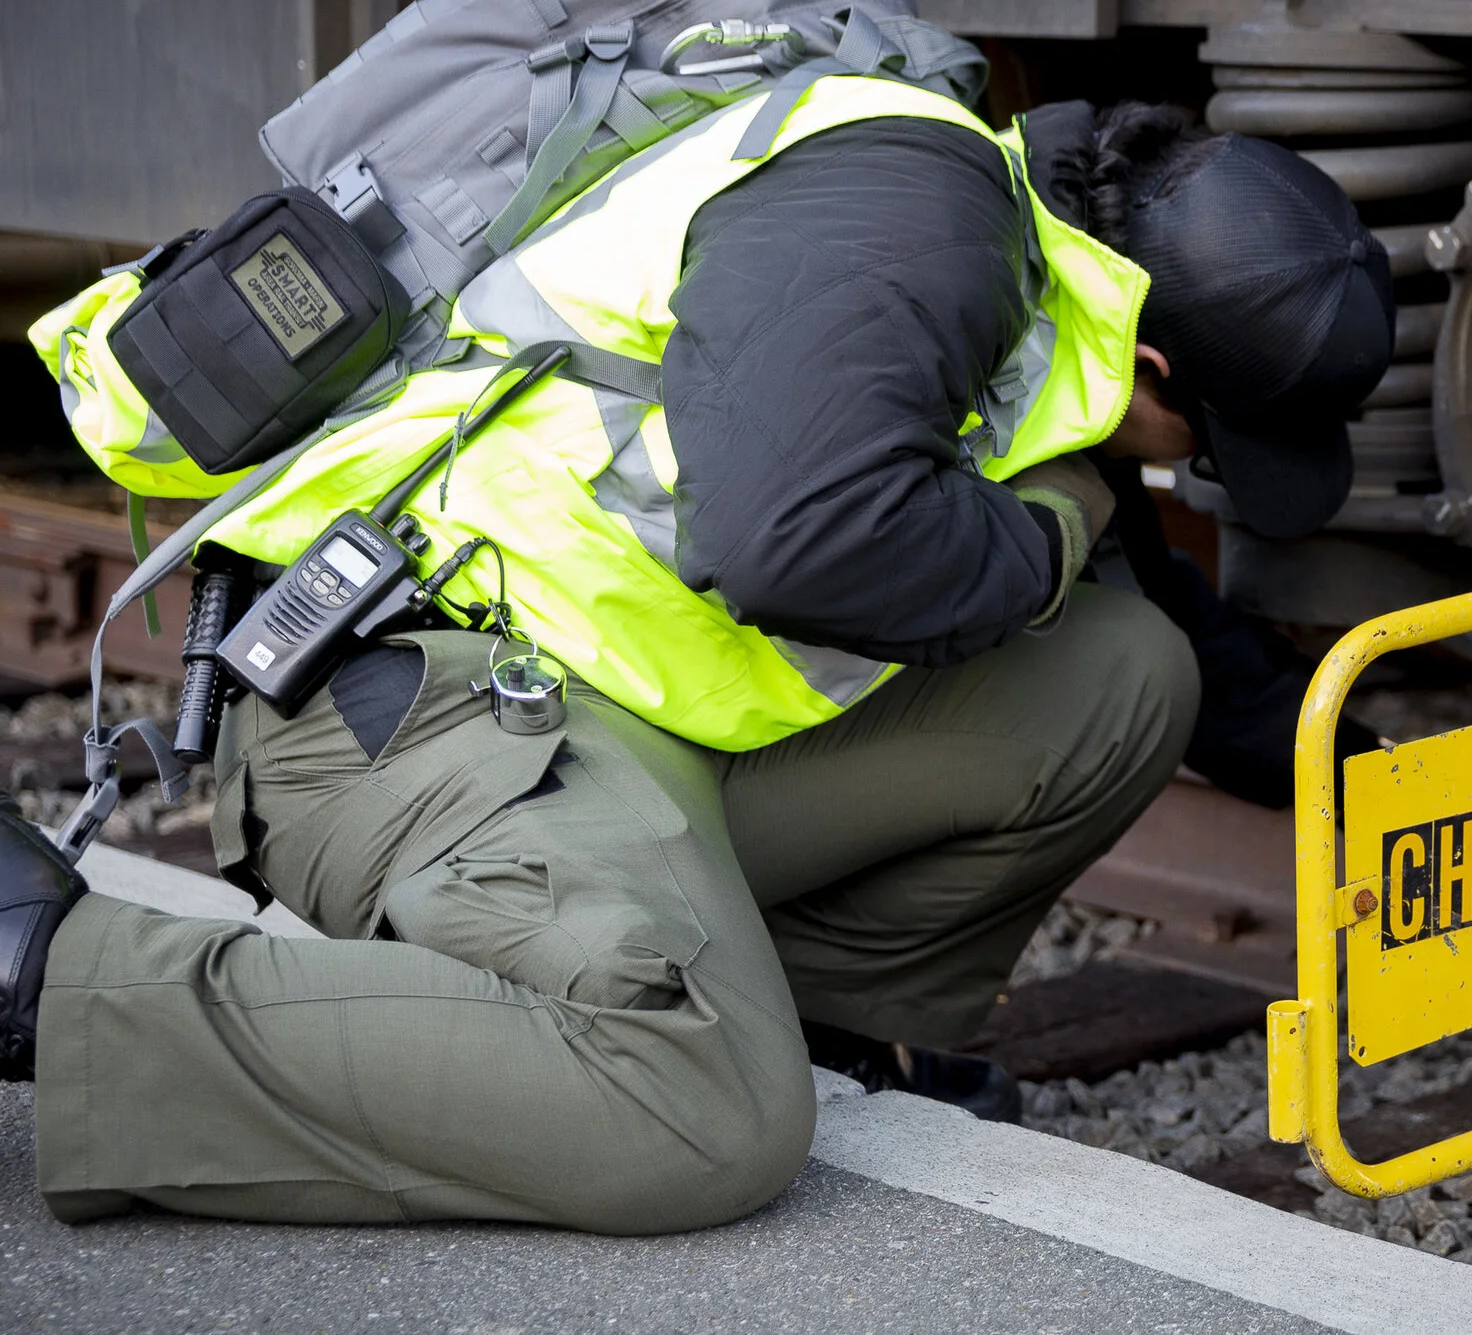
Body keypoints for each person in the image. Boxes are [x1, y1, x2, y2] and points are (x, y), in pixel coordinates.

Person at [0, 72, 1393, 1233]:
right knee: (705, 1115)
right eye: (1212, 444)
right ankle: (58, 972)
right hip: (421, 695)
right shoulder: (912, 217)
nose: (1193, 475)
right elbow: (788, 539)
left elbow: (1161, 606)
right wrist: (1045, 536)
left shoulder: (1053, 271)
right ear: (1158, 369)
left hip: (613, 703)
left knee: (1129, 671)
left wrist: (1382, 783)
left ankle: (803, 1017)